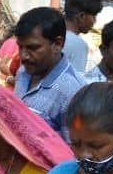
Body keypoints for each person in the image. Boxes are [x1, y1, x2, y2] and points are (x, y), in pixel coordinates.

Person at [13, 7, 88, 141]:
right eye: (20, 47)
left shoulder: (73, 92)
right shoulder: (23, 72)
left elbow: (74, 151)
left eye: (32, 48)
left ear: (57, 44)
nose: (23, 56)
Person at [64, 0, 105, 72]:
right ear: (81, 16)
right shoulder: (77, 44)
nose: (95, 21)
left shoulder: (52, 34)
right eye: (94, 16)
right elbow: (75, 81)